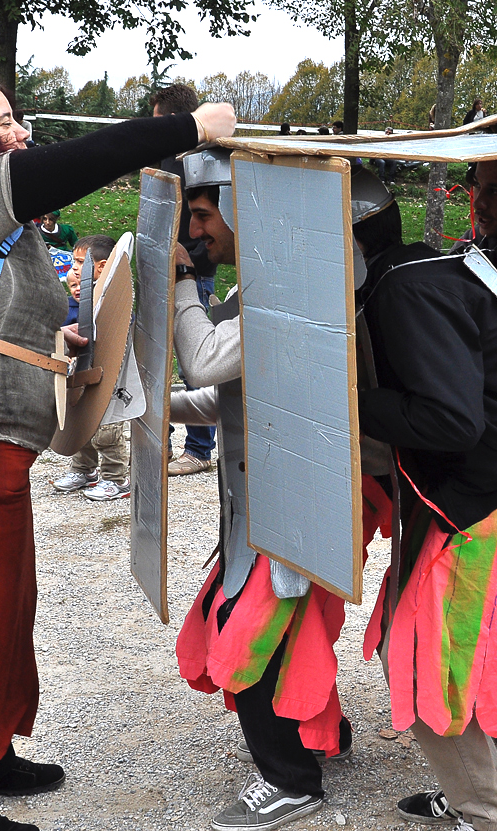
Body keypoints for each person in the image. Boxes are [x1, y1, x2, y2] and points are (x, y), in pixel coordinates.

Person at [0, 61, 234, 831]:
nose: (19, 133)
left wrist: (52, 338)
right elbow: (82, 160)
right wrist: (192, 127)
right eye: (2, 121)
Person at [353, 166, 497, 831]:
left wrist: (346, 399)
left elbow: (450, 421)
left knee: (421, 664)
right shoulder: (419, 270)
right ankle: (474, 796)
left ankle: (485, 815)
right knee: (418, 651)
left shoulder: (404, 288)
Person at [172, 149, 372, 831]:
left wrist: (182, 285)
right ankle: (323, 736)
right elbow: (224, 396)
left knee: (248, 638)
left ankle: (291, 780)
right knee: (291, 635)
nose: (196, 230)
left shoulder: (287, 294)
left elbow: (204, 358)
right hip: (264, 504)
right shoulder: (261, 291)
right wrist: (152, 409)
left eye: (204, 215)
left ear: (241, 209)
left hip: (290, 503)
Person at [150, 83, 217, 476]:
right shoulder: (165, 157)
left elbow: (209, 221)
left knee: (196, 362)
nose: (153, 130)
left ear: (175, 119)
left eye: (158, 122)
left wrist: (191, 265)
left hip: (194, 276)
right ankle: (161, 442)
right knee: (157, 360)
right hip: (163, 273)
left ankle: (199, 449)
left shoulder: (200, 161)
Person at [52, 235, 131, 502]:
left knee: (107, 429)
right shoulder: (79, 296)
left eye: (80, 262)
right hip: (81, 370)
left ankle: (115, 479)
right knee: (80, 421)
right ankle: (83, 470)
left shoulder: (113, 295)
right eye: (74, 261)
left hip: (108, 373)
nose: (74, 268)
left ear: (102, 266)